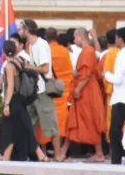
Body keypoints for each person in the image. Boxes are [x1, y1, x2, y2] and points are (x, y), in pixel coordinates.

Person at [0, 40, 48, 161]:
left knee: (10, 129)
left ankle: (7, 156)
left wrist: (6, 104)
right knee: (22, 128)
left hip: (13, 101)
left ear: (3, 52)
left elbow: (11, 86)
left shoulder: (9, 66)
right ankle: (39, 155)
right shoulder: (19, 62)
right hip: (20, 100)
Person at [17, 20, 61, 158]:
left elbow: (45, 68)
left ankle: (58, 156)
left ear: (26, 30)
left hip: (42, 92)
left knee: (50, 125)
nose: (18, 32)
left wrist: (27, 67)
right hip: (35, 92)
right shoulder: (32, 45)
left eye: (20, 29)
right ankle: (29, 154)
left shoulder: (41, 45)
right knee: (28, 124)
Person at [60, 28, 106, 161]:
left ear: (80, 37)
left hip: (86, 91)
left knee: (89, 119)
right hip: (85, 89)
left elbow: (87, 74)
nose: (74, 41)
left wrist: (78, 89)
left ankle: (98, 153)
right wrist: (76, 74)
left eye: (75, 38)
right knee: (76, 119)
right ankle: (64, 151)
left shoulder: (88, 51)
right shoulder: (87, 51)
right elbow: (86, 71)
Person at [103, 26, 125, 164]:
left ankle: (116, 160)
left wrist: (105, 74)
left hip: (121, 97)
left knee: (114, 131)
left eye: (117, 37)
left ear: (121, 39)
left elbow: (117, 79)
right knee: (121, 130)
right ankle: (120, 157)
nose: (115, 40)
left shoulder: (122, 54)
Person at [45, 28, 73, 159]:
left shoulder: (45, 50)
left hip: (48, 90)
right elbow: (69, 69)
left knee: (46, 120)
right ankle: (60, 151)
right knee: (61, 120)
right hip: (63, 90)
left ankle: (44, 150)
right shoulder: (64, 51)